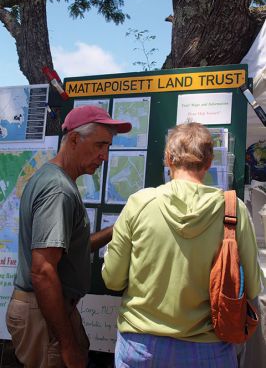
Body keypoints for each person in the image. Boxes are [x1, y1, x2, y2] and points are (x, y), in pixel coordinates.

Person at [102, 122, 262, 368]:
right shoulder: (233, 210)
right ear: (208, 162)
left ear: (168, 159)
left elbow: (112, 279)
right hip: (210, 350)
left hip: (141, 347)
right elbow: (252, 287)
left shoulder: (139, 203)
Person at [6, 105, 132, 368]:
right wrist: (67, 343)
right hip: (43, 312)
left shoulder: (51, 178)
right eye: (100, 145)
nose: (105, 156)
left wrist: (115, 230)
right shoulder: (59, 190)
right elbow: (43, 270)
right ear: (74, 139)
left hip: (45, 309)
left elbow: (71, 249)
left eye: (108, 147)